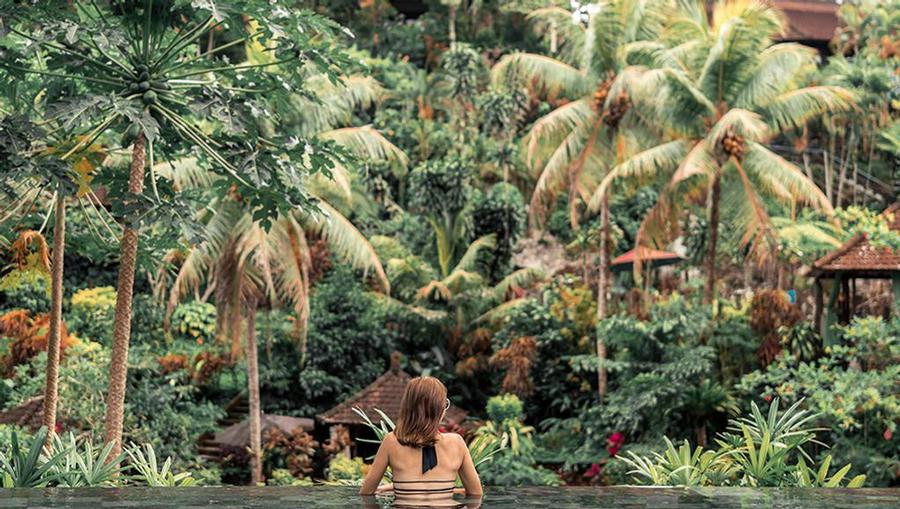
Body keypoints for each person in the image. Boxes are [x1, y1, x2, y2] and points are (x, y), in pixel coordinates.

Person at [359, 376, 483, 506]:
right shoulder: (457, 443)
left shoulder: (391, 441)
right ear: (439, 409)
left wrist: (398, 487)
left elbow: (367, 493)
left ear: (408, 408)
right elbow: (476, 495)